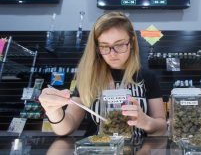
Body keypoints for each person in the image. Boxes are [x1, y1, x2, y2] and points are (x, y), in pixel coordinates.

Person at [39, 12, 167, 137]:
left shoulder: (147, 77)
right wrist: (53, 111)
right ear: (96, 48)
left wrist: (146, 122)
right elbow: (67, 128)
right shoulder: (88, 77)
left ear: (132, 42)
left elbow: (161, 128)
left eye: (120, 44)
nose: (112, 53)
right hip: (97, 149)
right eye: (104, 46)